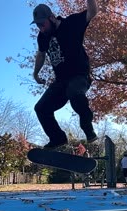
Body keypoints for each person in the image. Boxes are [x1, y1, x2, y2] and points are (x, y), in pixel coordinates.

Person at [31, 1, 99, 149]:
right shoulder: (42, 37)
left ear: (52, 18)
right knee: (41, 108)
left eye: (43, 24)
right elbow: (41, 55)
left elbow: (92, 12)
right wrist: (36, 74)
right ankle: (57, 138)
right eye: (38, 26)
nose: (41, 29)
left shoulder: (72, 23)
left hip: (80, 76)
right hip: (61, 81)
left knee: (74, 92)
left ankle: (87, 126)